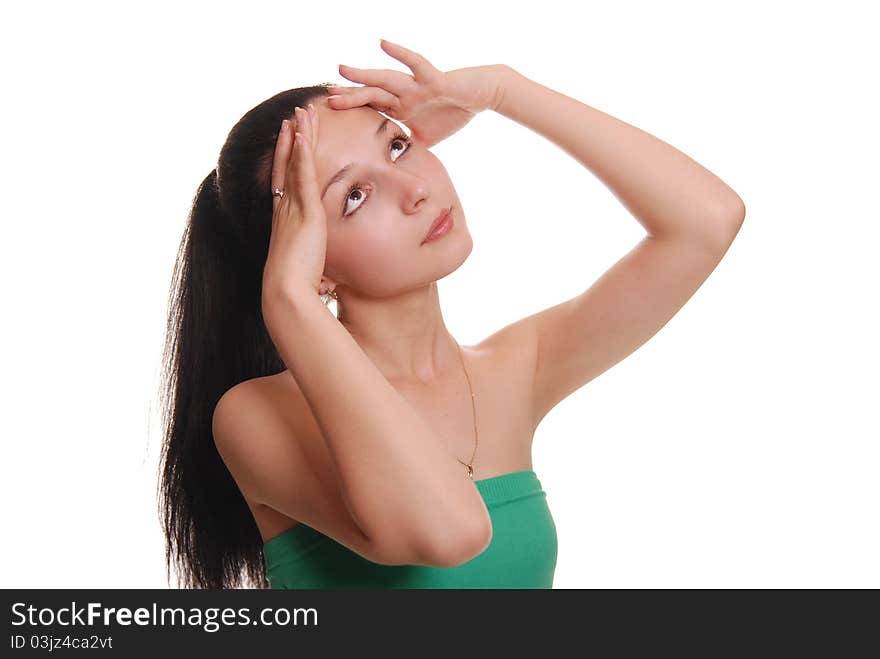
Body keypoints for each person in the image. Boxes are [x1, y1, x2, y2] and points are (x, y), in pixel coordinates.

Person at [158, 40, 746, 589]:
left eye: (396, 145)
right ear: (305, 259)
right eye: (354, 196)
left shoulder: (513, 367)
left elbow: (707, 221)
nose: (413, 188)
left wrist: (501, 91)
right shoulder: (255, 415)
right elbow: (450, 532)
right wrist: (290, 301)